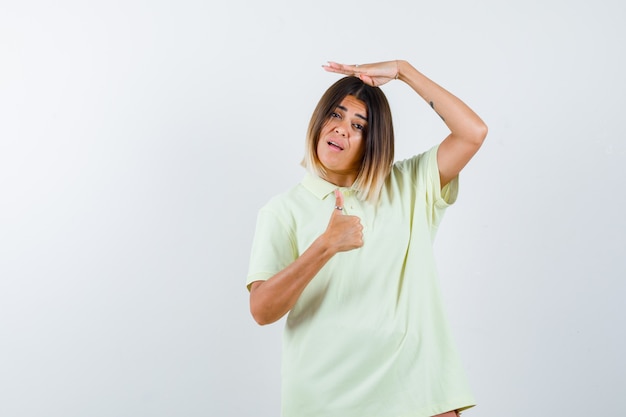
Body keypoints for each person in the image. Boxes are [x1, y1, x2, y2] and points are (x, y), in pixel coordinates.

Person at [246, 59, 487, 417]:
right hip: (325, 398)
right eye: (336, 115)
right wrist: (325, 245)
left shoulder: (408, 185)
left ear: (373, 141)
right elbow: (262, 310)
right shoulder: (283, 210)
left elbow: (473, 133)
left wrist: (404, 72)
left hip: (416, 389)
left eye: (358, 125)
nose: (342, 129)